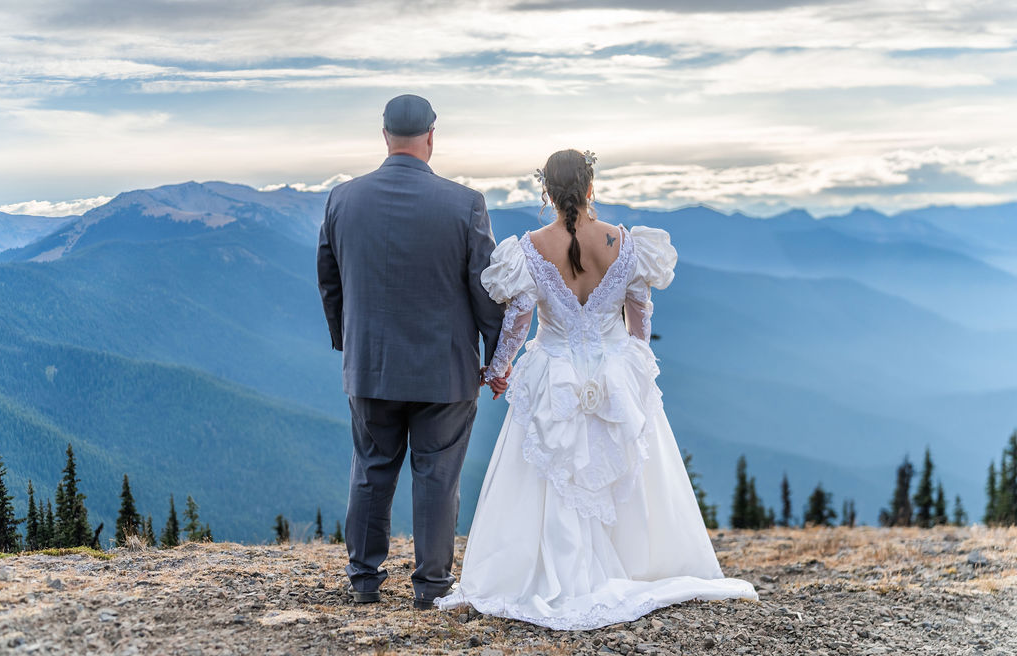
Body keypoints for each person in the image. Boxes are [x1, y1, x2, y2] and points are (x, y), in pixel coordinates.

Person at [435, 149, 757, 629]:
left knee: (552, 472)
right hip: (614, 372)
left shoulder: (528, 248)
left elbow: (518, 323)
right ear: (590, 187)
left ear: (545, 190)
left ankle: (555, 573)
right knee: (625, 466)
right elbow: (640, 314)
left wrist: (497, 369)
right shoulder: (625, 243)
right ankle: (635, 564)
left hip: (553, 373)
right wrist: (635, 362)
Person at [317, 94, 504, 610]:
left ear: (383, 136)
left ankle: (363, 579)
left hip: (370, 365)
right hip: (445, 371)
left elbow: (329, 282)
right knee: (437, 475)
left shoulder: (341, 199)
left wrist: (346, 342)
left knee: (371, 469)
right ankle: (432, 586)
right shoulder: (465, 203)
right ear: (430, 136)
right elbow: (485, 289)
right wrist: (496, 354)